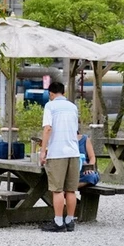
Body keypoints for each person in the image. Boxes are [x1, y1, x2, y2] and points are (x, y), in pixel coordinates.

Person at [39, 81, 80, 232]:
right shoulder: (73, 107)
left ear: (50, 94)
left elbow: (48, 129)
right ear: (63, 92)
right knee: (70, 189)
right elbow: (76, 130)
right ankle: (70, 220)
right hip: (73, 152)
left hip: (57, 152)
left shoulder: (50, 106)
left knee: (57, 189)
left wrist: (43, 151)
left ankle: (58, 222)